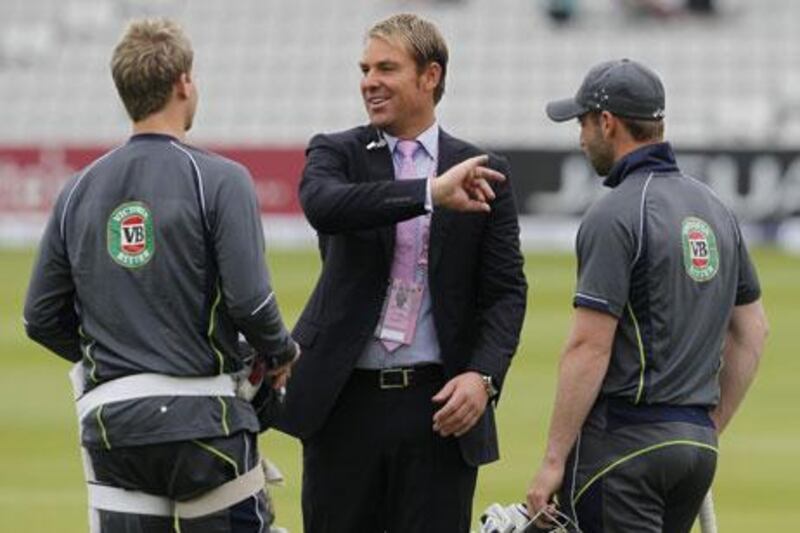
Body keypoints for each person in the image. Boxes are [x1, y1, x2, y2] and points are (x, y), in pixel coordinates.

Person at [23, 18, 299, 532]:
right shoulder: (222, 179)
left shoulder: (76, 190)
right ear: (183, 84)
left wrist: (116, 357)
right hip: (205, 423)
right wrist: (281, 352)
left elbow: (39, 317)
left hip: (113, 425)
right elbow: (251, 303)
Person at [274, 13, 527, 533]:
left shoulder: (483, 170)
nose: (369, 81)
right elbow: (324, 205)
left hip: (437, 407)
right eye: (365, 68)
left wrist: (483, 378)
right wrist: (428, 194)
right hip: (343, 404)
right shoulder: (337, 151)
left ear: (429, 76)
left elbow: (505, 293)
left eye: (386, 67)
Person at [525, 58, 768, 532]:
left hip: (622, 449)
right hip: (694, 448)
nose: (579, 137)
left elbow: (588, 346)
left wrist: (553, 460)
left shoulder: (614, 212)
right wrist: (704, 428)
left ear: (608, 123)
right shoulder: (717, 208)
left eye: (582, 122)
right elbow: (752, 330)